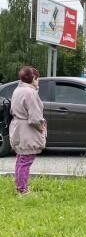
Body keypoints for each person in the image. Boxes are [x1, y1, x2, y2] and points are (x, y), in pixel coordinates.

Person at [9, 66, 46, 195]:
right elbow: (35, 118)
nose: (38, 82)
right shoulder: (30, 93)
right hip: (27, 131)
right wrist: (41, 128)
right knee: (26, 161)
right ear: (34, 78)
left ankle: (20, 187)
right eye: (38, 79)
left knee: (21, 160)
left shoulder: (18, 90)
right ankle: (22, 190)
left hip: (17, 128)